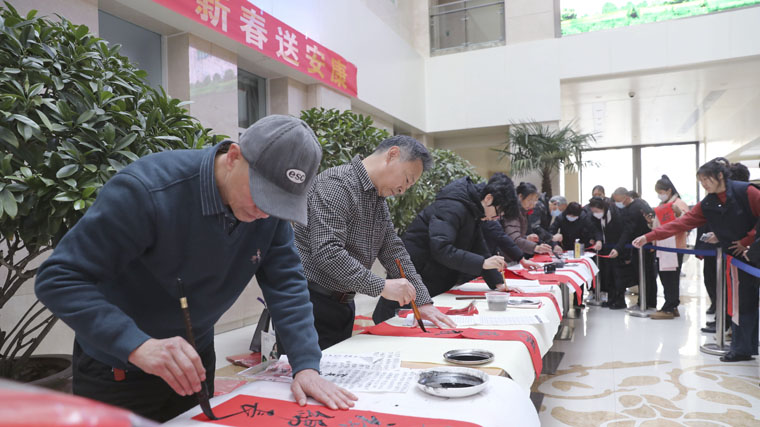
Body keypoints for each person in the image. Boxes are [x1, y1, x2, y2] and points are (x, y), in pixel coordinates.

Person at [34, 115, 358, 422]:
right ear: (234, 157)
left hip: (194, 362)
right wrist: (136, 344)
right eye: (263, 195)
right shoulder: (148, 190)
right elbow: (59, 278)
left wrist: (306, 365)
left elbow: (287, 284)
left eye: (280, 203)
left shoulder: (267, 215)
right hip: (119, 369)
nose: (265, 212)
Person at [294, 135, 455, 349]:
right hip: (310, 303)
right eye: (407, 179)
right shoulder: (337, 184)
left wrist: (423, 302)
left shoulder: (377, 199)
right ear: (392, 154)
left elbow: (393, 250)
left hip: (342, 304)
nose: (403, 190)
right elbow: (328, 252)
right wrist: (381, 286)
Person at [633, 158, 760, 362]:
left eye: (706, 179)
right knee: (740, 301)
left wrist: (747, 241)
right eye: (701, 181)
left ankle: (743, 347)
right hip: (736, 257)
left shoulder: (746, 191)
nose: (704, 185)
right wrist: (649, 236)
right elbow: (682, 223)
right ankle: (743, 348)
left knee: (745, 300)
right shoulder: (708, 202)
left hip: (753, 252)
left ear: (720, 175)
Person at [373, 174, 515, 323]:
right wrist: (483, 263)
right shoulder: (452, 206)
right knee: (395, 322)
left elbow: (479, 246)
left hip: (431, 278)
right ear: (488, 199)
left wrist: (498, 283)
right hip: (417, 273)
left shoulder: (472, 209)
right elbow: (441, 248)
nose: (495, 219)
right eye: (498, 213)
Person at [649, 175, 691, 320]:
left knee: (671, 278)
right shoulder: (662, 205)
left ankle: (669, 307)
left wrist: (678, 213)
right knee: (665, 278)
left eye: (661, 192)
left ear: (669, 190)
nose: (659, 195)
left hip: (674, 246)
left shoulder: (679, 203)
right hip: (663, 247)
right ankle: (671, 306)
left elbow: (687, 222)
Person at [610, 187, 657, 309]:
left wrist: (618, 248)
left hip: (643, 247)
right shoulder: (639, 203)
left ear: (625, 197)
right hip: (642, 245)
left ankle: (645, 303)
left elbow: (628, 231)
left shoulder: (634, 209)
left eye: (618, 201)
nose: (617, 204)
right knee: (646, 275)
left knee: (645, 275)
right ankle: (647, 302)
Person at [588, 196, 626, 309]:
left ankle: (620, 300)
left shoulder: (616, 214)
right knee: (608, 274)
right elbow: (596, 229)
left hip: (617, 247)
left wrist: (618, 248)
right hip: (606, 248)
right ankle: (611, 298)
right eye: (593, 211)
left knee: (618, 275)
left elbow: (623, 232)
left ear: (603, 208)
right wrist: (598, 240)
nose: (595, 213)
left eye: (596, 211)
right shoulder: (596, 217)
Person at [503, 182, 554, 256]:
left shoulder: (523, 211)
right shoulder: (513, 212)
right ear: (520, 196)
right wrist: (536, 247)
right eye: (529, 200)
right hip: (506, 255)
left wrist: (526, 238)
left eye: (535, 200)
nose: (532, 204)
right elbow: (513, 239)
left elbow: (515, 235)